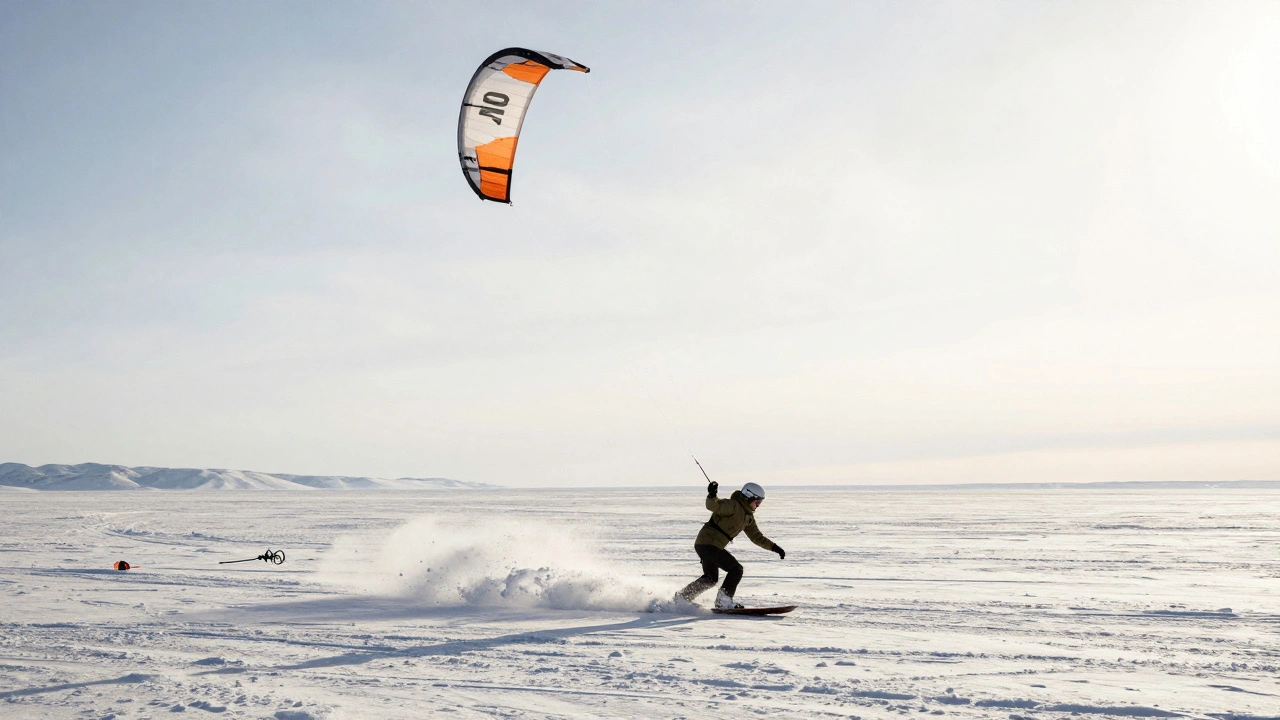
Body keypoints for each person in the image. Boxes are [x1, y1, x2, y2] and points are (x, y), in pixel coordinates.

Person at [676, 480, 785, 609]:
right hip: (709, 543)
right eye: (758, 502)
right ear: (749, 497)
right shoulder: (733, 506)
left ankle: (682, 597)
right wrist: (712, 494)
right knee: (736, 569)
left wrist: (775, 547)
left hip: (707, 545)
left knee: (711, 578)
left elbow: (757, 537)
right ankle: (723, 602)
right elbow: (714, 506)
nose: (758, 505)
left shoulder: (748, 517)